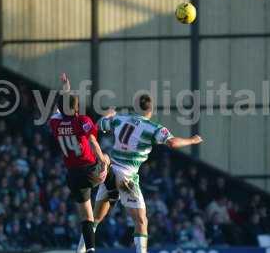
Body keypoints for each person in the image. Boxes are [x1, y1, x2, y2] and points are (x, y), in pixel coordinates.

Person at [77, 94, 203, 253]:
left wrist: (108, 114)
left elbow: (99, 124)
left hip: (110, 172)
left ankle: (80, 250)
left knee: (95, 218)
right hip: (126, 177)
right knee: (141, 221)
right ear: (151, 109)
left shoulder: (120, 120)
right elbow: (172, 142)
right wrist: (192, 140)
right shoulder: (153, 128)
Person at [48, 73, 112, 253]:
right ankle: (113, 191)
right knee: (108, 157)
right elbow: (92, 140)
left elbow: (57, 111)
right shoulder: (82, 120)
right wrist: (103, 162)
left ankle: (90, 249)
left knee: (86, 216)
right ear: (77, 108)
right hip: (91, 171)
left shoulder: (55, 124)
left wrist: (65, 90)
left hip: (73, 175)